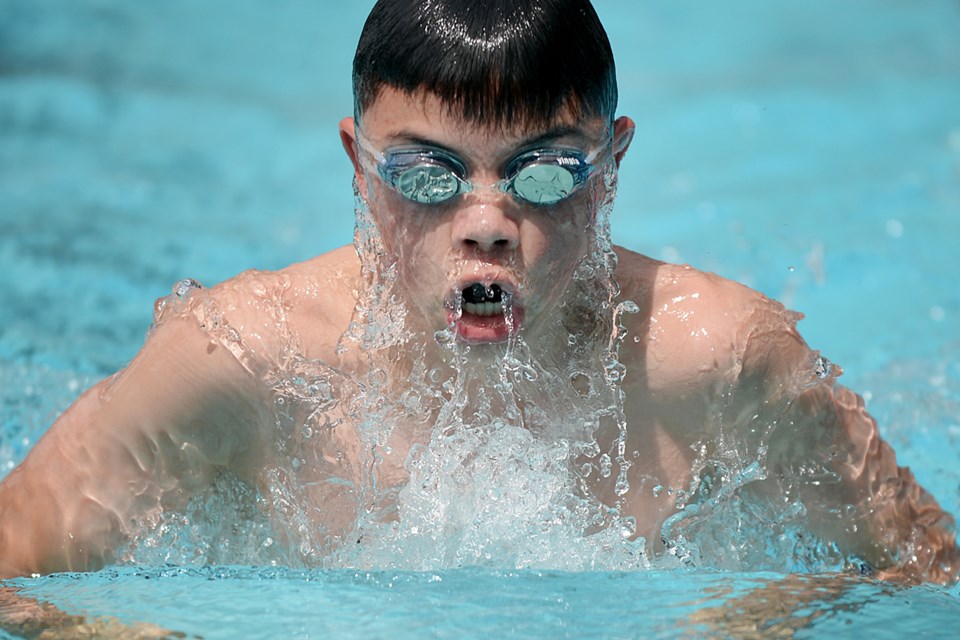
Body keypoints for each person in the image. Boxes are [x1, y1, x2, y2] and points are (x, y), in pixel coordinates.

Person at [0, 0, 956, 584]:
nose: (487, 221)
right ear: (359, 166)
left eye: (544, 172)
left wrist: (784, 609)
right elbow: (17, 557)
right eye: (428, 174)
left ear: (613, 163)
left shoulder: (717, 358)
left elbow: (926, 569)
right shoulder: (245, 361)